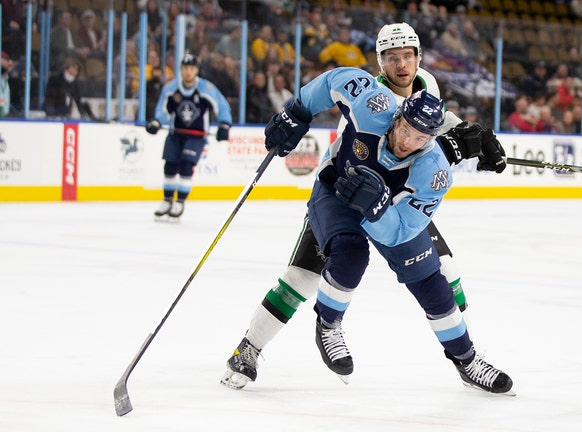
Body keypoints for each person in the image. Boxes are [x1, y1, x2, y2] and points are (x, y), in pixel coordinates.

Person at [220, 23, 509, 392]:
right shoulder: (373, 98)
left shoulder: (429, 95)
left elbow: (438, 128)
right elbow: (331, 84)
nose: (401, 64)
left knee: (437, 274)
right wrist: (297, 111)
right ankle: (251, 346)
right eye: (391, 57)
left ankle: (465, 356)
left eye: (407, 56)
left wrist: (478, 140)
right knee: (308, 275)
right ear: (380, 63)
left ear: (419, 59)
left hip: (396, 202)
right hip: (342, 187)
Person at [145, 53, 232, 221]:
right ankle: (167, 200)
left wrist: (224, 124)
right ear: (181, 69)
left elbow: (221, 106)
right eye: (185, 68)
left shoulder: (206, 88)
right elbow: (162, 110)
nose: (188, 72)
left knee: (186, 165)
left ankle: (180, 202)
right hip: (175, 134)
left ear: (196, 70)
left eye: (191, 68)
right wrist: (156, 122)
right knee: (170, 165)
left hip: (196, 137)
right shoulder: (171, 89)